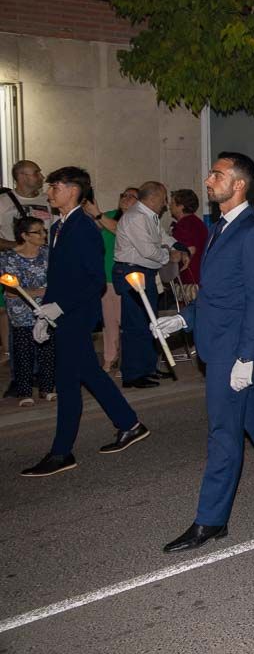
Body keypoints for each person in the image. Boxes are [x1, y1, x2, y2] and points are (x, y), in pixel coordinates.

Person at [154, 152, 254, 551]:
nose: (208, 180)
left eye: (217, 174)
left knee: (224, 434)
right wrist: (183, 320)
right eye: (210, 173)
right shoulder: (219, 228)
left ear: (238, 184)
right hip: (217, 340)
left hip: (233, 351)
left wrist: (248, 357)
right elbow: (219, 294)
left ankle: (211, 521)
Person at [22, 166, 148, 478]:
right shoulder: (58, 227)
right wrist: (45, 310)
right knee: (89, 374)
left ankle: (61, 452)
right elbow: (59, 276)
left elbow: (94, 282)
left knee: (67, 384)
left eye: (55, 187)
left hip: (77, 316)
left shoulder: (85, 227)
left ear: (73, 190)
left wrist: (59, 308)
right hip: (63, 314)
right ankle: (129, 424)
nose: (49, 192)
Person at [112, 181, 189, 388]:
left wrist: (177, 245)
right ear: (153, 197)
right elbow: (149, 251)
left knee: (149, 321)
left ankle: (147, 367)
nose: (165, 204)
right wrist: (170, 255)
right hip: (132, 272)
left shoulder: (149, 216)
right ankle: (133, 374)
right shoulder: (136, 217)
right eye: (164, 198)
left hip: (145, 271)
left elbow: (162, 236)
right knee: (135, 324)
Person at [0, 160, 52, 369]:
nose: (41, 176)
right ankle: (19, 369)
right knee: (17, 313)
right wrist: (19, 246)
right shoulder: (3, 202)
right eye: (36, 172)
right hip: (15, 263)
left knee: (44, 312)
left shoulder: (47, 200)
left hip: (43, 263)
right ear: (21, 176)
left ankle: (44, 370)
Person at [0, 217, 55, 406]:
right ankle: (24, 392)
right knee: (24, 351)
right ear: (24, 235)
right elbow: (12, 292)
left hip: (47, 310)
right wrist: (41, 291)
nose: (43, 235)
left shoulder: (48, 253)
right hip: (21, 313)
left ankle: (47, 388)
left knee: (47, 350)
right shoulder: (8, 258)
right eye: (38, 232)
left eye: (44, 231)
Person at [88, 187, 138, 372]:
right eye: (123, 195)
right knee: (109, 322)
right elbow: (95, 227)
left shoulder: (138, 219)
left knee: (128, 321)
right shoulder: (109, 215)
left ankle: (129, 360)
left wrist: (98, 214)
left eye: (131, 196)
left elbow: (120, 231)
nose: (125, 198)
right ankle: (110, 358)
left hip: (129, 278)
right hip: (106, 277)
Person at [169, 188, 208, 300]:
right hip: (200, 277)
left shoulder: (184, 225)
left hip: (189, 280)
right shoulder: (198, 222)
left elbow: (188, 250)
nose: (169, 206)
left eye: (172, 203)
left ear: (181, 206)